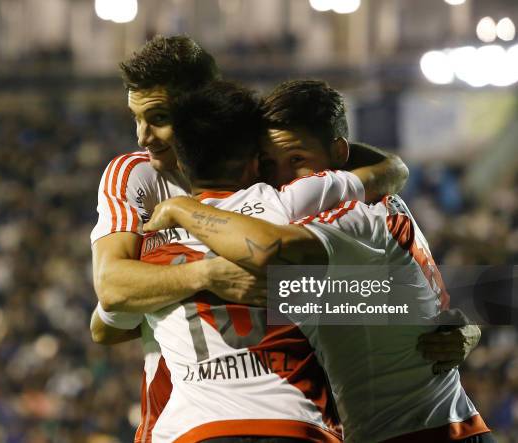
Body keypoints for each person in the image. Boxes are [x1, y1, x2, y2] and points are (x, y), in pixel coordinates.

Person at [90, 36, 410, 442]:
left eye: (157, 118)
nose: (143, 136)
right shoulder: (137, 176)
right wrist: (208, 276)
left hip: (268, 414)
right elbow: (111, 289)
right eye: (135, 118)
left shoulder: (265, 163)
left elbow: (109, 320)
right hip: (198, 416)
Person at [144, 80, 491, 443]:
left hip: (425, 433)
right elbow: (377, 298)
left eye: (297, 161)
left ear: (339, 155)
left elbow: (268, 247)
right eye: (268, 163)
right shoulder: (359, 212)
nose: (281, 179)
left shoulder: (355, 218)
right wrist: (459, 326)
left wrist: (182, 209)